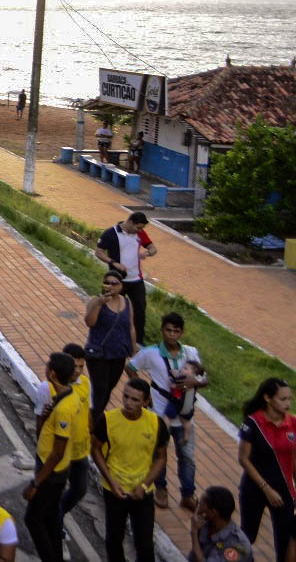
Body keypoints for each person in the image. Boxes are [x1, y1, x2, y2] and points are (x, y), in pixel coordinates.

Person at [128, 310, 207, 510]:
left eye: (176, 331)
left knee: (187, 457)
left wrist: (195, 381)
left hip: (185, 415)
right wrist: (142, 392)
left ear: (181, 333)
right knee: (158, 455)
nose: (172, 334)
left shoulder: (191, 353)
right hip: (160, 414)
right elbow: (131, 367)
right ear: (162, 330)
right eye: (168, 330)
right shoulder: (150, 352)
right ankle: (161, 489)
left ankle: (188, 494)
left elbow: (205, 378)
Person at [91, 379, 168, 562]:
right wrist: (111, 481)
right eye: (125, 397)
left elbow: (161, 458)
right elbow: (95, 450)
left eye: (135, 399)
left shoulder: (156, 424)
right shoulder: (108, 420)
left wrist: (144, 485)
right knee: (113, 540)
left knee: (145, 544)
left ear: (146, 402)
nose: (128, 403)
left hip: (143, 492)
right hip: (114, 490)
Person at [23, 352, 81, 562]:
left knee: (33, 519)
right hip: (52, 467)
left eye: (48, 366)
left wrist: (36, 482)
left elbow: (57, 452)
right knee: (51, 517)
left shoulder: (65, 408)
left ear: (53, 374)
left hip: (52, 472)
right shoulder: (67, 396)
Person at [237, 377, 295, 562]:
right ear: (268, 398)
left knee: (286, 542)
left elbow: (294, 459)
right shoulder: (253, 423)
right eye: (283, 399)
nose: (288, 404)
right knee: (247, 536)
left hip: (284, 491)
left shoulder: (293, 423)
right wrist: (266, 489)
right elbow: (244, 459)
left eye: (290, 399)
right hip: (255, 489)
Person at [95, 211, 157, 345]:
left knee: (140, 310)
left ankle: (138, 340)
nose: (140, 230)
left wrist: (148, 253)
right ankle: (105, 335)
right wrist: (113, 263)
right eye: (138, 227)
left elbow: (153, 248)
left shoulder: (140, 234)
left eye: (141, 228)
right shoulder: (111, 233)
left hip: (136, 280)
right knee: (109, 307)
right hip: (116, 280)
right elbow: (98, 252)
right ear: (130, 222)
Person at [83, 271, 137, 425]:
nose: (111, 286)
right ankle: (95, 422)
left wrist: (133, 348)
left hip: (118, 354)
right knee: (100, 387)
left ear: (121, 286)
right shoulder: (96, 301)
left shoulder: (126, 303)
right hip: (99, 354)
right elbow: (90, 322)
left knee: (107, 389)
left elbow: (131, 327)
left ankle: (94, 417)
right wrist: (100, 303)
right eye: (107, 282)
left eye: (115, 283)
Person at [188, 486, 253, 562]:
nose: (197, 508)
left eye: (200, 504)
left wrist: (194, 532)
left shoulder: (238, 545)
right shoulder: (205, 524)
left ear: (212, 513)